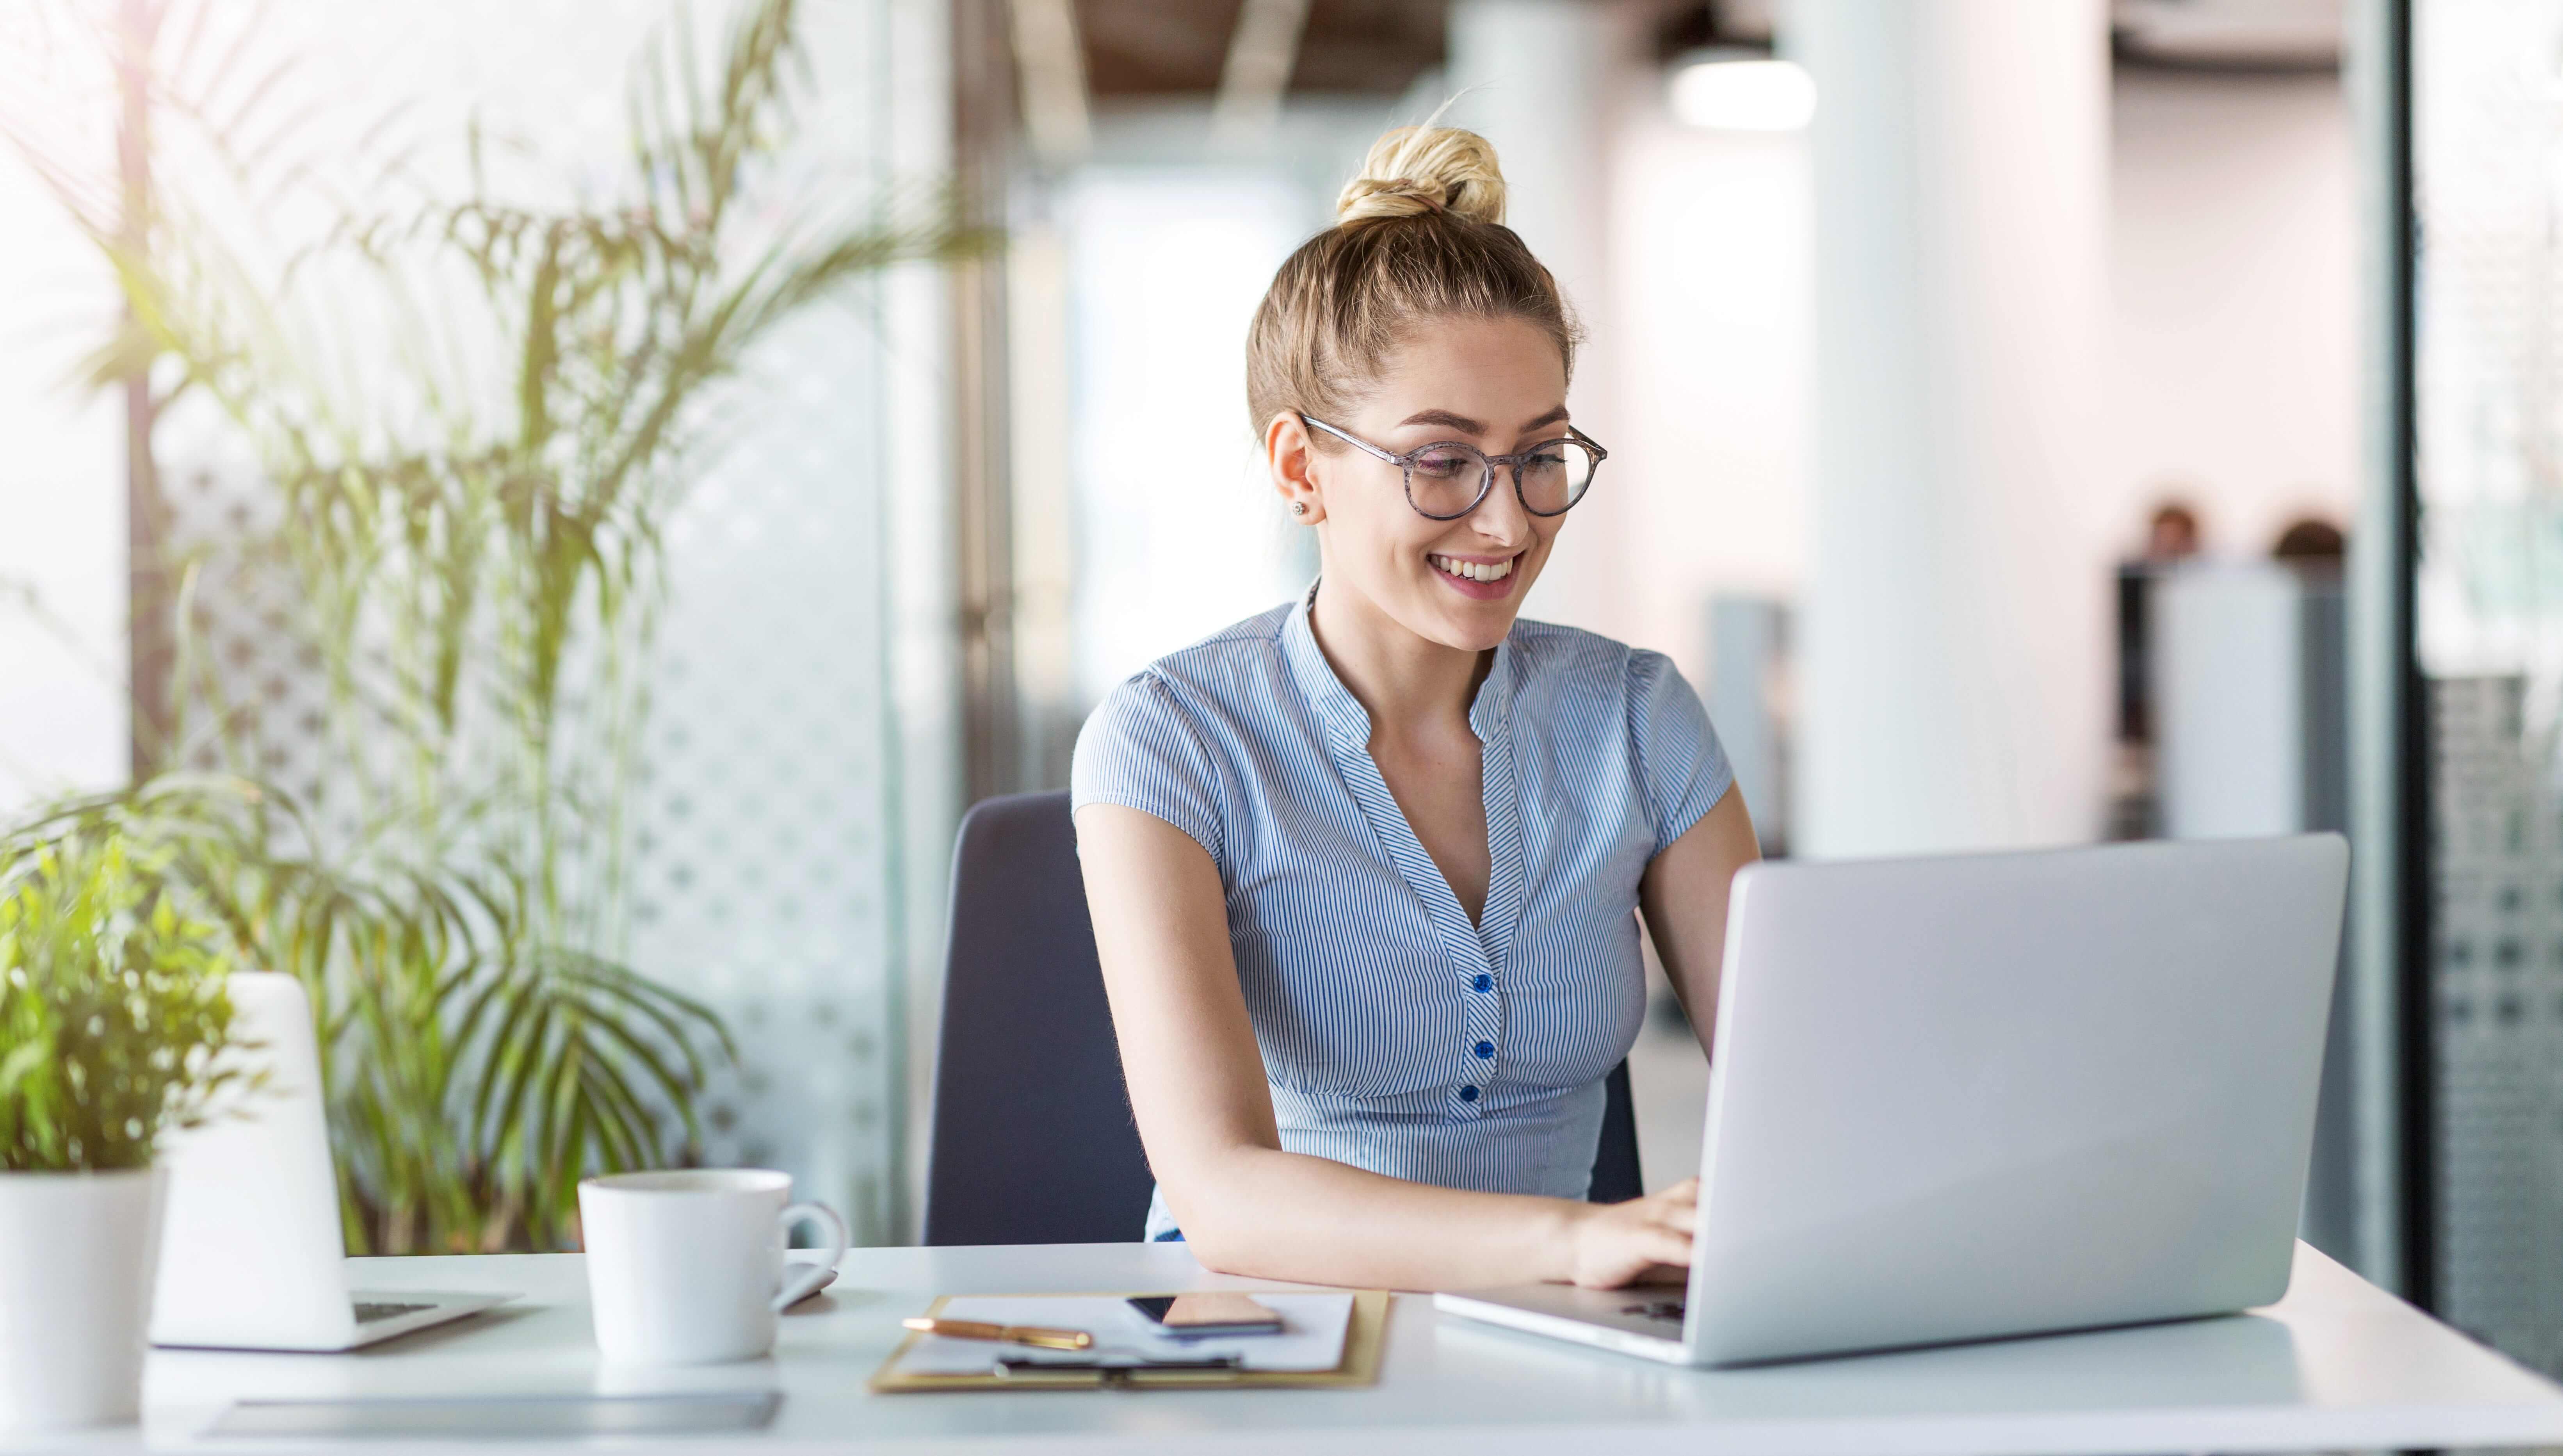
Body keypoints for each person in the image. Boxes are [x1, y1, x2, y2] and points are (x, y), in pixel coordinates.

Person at [1069, 125, 1760, 1294]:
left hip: (1561, 1346)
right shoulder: (1171, 740)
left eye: (1543, 456)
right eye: (1443, 462)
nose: (1507, 523)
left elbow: (1801, 1092)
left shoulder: (1637, 718)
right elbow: (1224, 1192)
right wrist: (1574, 1239)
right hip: (1269, 1343)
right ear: (1300, 467)